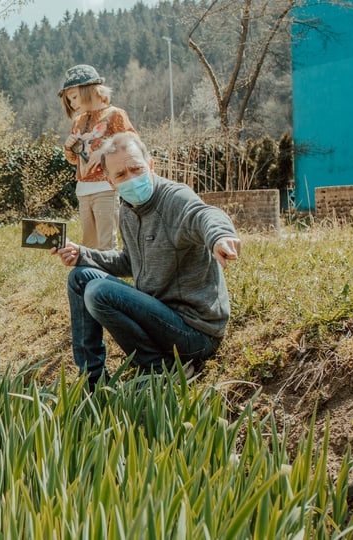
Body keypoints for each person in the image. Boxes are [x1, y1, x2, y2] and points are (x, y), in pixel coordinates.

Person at [53, 132, 241, 388]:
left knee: (98, 292)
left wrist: (220, 237)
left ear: (150, 165)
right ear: (110, 182)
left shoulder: (174, 198)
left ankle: (160, 368)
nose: (131, 178)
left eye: (136, 169)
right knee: (80, 277)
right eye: (121, 175)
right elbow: (130, 262)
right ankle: (93, 378)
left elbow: (204, 214)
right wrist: (83, 255)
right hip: (159, 316)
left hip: (194, 333)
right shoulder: (128, 211)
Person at [58, 64, 136, 250]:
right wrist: (69, 147)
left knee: (105, 242)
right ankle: (91, 277)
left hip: (106, 187)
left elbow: (131, 142)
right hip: (83, 189)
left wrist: (104, 151)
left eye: (74, 97)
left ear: (90, 90)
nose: (72, 104)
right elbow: (73, 159)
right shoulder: (79, 120)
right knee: (89, 243)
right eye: (69, 100)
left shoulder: (115, 114)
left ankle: (107, 277)